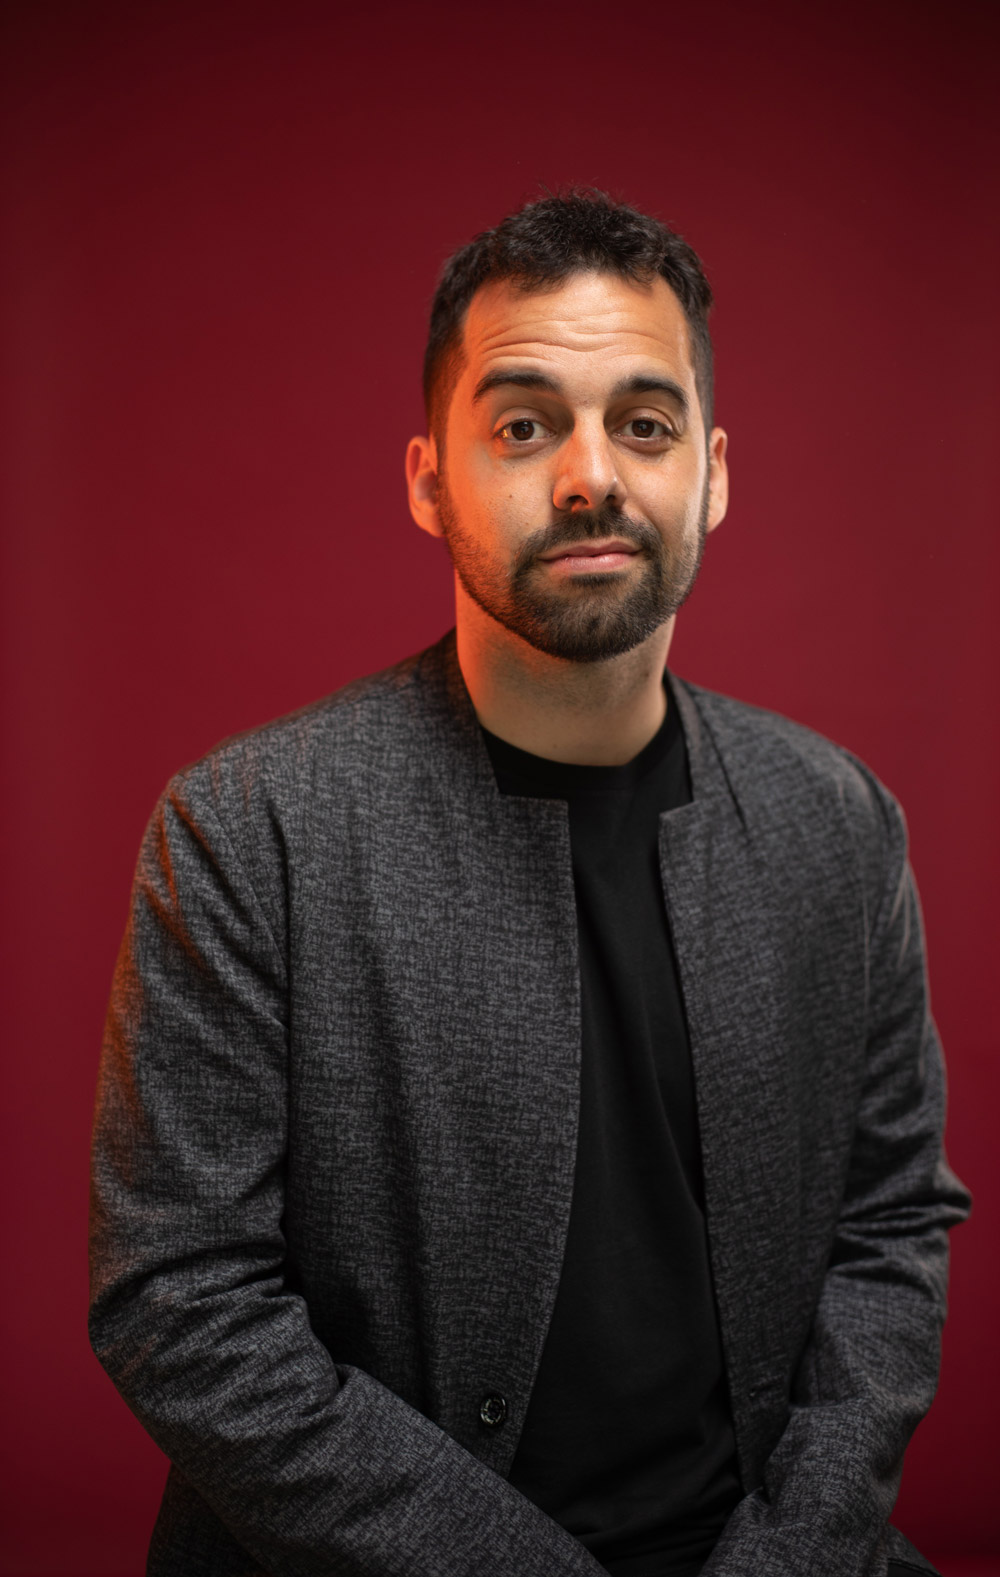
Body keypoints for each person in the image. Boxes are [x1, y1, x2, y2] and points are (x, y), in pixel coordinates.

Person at [89, 189, 970, 1577]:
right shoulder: (246, 831)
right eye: (522, 426)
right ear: (428, 480)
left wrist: (793, 1554)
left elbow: (892, 1222)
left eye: (645, 423)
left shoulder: (839, 821)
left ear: (712, 475)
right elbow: (179, 1300)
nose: (589, 476)